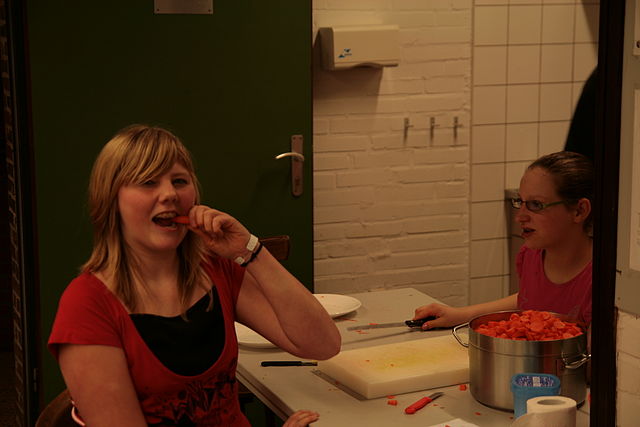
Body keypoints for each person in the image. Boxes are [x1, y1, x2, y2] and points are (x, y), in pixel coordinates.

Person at [48, 124, 341, 426]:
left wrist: (250, 250)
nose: (169, 194)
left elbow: (322, 345)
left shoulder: (216, 268)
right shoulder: (87, 305)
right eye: (147, 182)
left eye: (179, 181)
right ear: (111, 200)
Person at [414, 151, 593, 329]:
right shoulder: (530, 255)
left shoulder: (599, 281)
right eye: (520, 201)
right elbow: (528, 299)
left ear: (579, 211)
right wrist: (460, 315)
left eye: (536, 204)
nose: (520, 217)